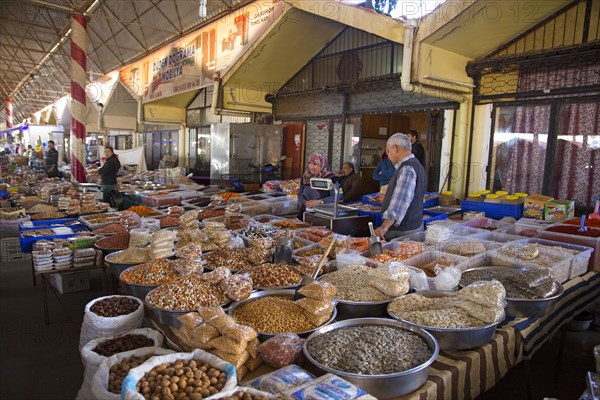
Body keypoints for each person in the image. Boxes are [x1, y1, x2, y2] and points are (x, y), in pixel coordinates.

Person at [374, 132, 427, 241]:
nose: (387, 154)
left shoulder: (407, 168)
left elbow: (400, 202)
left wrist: (384, 227)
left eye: (388, 150)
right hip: (413, 227)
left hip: (403, 232)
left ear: (395, 148)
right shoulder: (417, 165)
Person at [297, 153, 336, 219]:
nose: (311, 166)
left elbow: (336, 197)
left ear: (322, 164)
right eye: (309, 163)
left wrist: (319, 202)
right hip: (305, 213)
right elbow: (299, 194)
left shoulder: (330, 177)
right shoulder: (306, 176)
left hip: (323, 214)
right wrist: (305, 202)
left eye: (315, 164)